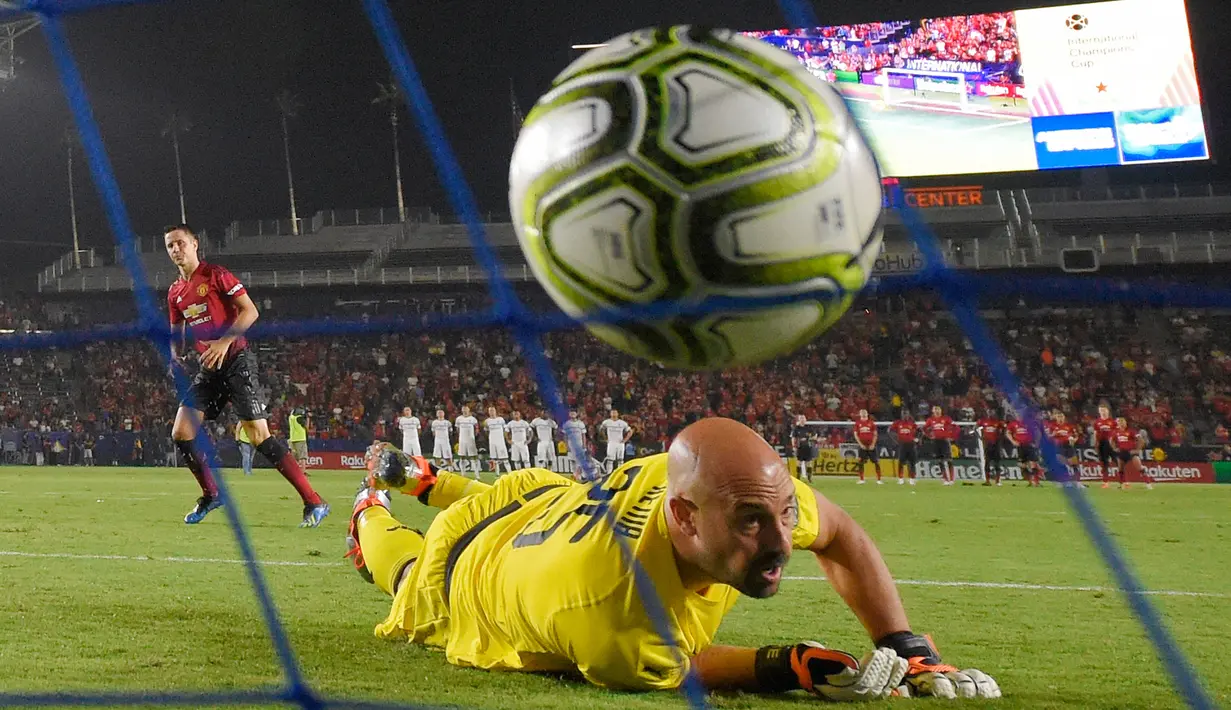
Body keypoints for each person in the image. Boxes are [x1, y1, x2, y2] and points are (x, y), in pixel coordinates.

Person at [344, 418, 998, 699]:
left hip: (540, 499)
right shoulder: (614, 615)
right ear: (681, 516)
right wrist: (785, 665)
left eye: (784, 516)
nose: (778, 541)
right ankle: (371, 511)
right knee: (404, 572)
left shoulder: (736, 485)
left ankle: (427, 480)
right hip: (462, 574)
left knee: (509, 499)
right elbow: (684, 666)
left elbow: (839, 534)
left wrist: (908, 646)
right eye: (751, 522)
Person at [164, 224, 329, 527]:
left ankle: (314, 501)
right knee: (182, 433)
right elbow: (176, 330)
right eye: (170, 246)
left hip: (237, 360)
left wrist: (224, 341)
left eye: (180, 243)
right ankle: (212, 495)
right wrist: (173, 354)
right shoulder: (175, 292)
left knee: (259, 437)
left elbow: (250, 311)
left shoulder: (216, 275)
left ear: (195, 243)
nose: (176, 250)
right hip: (208, 368)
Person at [1113, 417, 1155, 490]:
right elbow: (1111, 440)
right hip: (1122, 452)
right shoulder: (1116, 432)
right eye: (1119, 422)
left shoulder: (1131, 431)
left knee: (1139, 468)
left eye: (1123, 422)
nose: (1121, 423)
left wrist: (1137, 450)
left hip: (1131, 452)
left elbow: (1141, 441)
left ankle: (1148, 484)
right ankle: (1121, 485)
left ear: (1126, 423)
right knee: (1120, 469)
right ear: (1117, 423)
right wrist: (1114, 448)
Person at [1005, 414, 1040, 487]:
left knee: (1033, 463)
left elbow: (1037, 432)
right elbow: (1008, 433)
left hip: (1030, 445)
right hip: (1020, 446)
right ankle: (1030, 481)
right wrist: (1013, 441)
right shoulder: (1013, 424)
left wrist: (1036, 443)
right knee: (1022, 465)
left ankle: (1036, 482)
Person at [923, 406, 955, 485]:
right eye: (935, 410)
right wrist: (929, 436)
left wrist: (951, 435)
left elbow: (954, 427)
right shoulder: (930, 420)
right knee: (939, 461)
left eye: (938, 410)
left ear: (941, 411)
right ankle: (945, 479)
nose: (937, 411)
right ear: (932, 411)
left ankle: (951, 479)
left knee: (949, 460)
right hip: (936, 442)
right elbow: (924, 429)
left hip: (945, 441)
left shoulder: (946, 418)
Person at [1091, 403, 1117, 489]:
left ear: (1108, 411)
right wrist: (1095, 443)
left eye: (1104, 410)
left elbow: (1117, 433)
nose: (1103, 412)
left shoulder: (1113, 422)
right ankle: (1105, 482)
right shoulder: (1097, 422)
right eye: (1101, 410)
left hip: (1111, 443)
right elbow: (1095, 433)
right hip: (1102, 444)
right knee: (1104, 463)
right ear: (1099, 412)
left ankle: (1124, 481)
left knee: (1118, 461)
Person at [975, 410, 1003, 486]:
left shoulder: (998, 422)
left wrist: (1000, 437)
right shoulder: (984, 422)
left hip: (996, 444)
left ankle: (997, 481)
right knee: (987, 462)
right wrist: (980, 437)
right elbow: (975, 428)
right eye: (990, 413)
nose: (991, 415)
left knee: (997, 463)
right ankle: (987, 481)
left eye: (993, 413)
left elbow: (1004, 429)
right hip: (988, 445)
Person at [890, 409, 918, 486]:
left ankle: (912, 479)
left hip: (911, 445)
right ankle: (900, 479)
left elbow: (919, 431)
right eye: (903, 414)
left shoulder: (912, 423)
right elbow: (890, 431)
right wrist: (896, 440)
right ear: (901, 415)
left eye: (906, 414)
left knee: (912, 463)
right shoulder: (897, 423)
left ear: (908, 415)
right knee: (901, 462)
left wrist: (916, 439)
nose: (905, 415)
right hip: (902, 445)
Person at [600, 409, 633, 473]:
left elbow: (630, 431)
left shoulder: (622, 423)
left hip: (620, 443)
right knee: (610, 459)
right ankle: (608, 473)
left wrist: (625, 440)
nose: (614, 414)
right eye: (612, 413)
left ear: (618, 414)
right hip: (611, 443)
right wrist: (605, 438)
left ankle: (620, 473)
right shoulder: (606, 422)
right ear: (610, 414)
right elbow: (601, 430)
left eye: (615, 413)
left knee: (620, 459)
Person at [852, 409, 879, 484]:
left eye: (865, 413)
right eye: (862, 413)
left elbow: (875, 434)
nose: (863, 414)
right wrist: (860, 445)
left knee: (876, 462)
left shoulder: (871, 423)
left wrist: (873, 444)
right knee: (860, 462)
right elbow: (856, 435)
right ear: (860, 414)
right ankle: (861, 479)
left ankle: (879, 479)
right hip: (862, 446)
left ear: (867, 414)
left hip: (871, 446)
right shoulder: (857, 423)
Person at [561, 410, 590, 480]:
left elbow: (583, 435)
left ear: (577, 414)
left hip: (580, 444)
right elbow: (565, 436)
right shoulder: (566, 424)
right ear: (569, 414)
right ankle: (574, 474)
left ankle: (582, 475)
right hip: (571, 444)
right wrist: (567, 445)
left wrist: (584, 445)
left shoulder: (581, 424)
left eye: (574, 413)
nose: (573, 414)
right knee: (573, 461)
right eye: (571, 413)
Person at [454, 406, 480, 478]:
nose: (465, 411)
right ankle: (463, 474)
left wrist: (474, 436)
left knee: (473, 456)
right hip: (462, 440)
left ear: (469, 410)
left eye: (466, 409)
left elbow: (477, 429)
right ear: (462, 410)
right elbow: (457, 429)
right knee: (462, 456)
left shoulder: (473, 419)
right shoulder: (458, 419)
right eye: (463, 409)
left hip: (471, 440)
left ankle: (477, 474)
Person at [789, 415, 815, 482]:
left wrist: (807, 438)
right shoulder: (796, 429)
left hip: (808, 448)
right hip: (799, 448)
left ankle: (809, 478)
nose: (802, 420)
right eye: (801, 418)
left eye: (804, 418)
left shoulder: (809, 428)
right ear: (799, 420)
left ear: (805, 420)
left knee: (809, 463)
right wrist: (794, 446)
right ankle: (798, 477)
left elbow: (815, 436)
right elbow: (793, 438)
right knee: (799, 462)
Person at [484, 407, 509, 475]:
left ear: (495, 411)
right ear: (488, 412)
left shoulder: (500, 419)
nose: (491, 412)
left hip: (500, 442)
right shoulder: (487, 421)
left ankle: (509, 472)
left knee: (505, 458)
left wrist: (505, 437)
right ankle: (497, 474)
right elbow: (486, 431)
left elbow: (506, 429)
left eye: (493, 410)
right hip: (492, 442)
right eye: (490, 411)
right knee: (495, 459)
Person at [288, 408, 309, 472]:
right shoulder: (299, 419)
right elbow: (307, 428)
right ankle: (303, 472)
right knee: (303, 456)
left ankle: (294, 472)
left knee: (294, 457)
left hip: (292, 438)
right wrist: (308, 419)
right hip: (301, 439)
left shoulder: (291, 418)